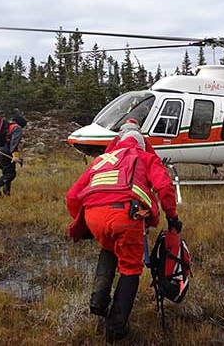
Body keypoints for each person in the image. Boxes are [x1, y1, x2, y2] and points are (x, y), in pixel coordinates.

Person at [66, 123, 182, 343]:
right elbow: (165, 188)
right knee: (130, 269)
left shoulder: (102, 159)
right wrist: (172, 217)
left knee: (108, 248)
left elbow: (72, 195)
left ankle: (98, 301)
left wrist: (83, 223)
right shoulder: (145, 157)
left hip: (94, 215)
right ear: (142, 143)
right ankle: (116, 328)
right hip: (127, 217)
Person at [0, 115, 27, 197]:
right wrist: (15, 155)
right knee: (11, 174)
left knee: (6, 173)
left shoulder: (6, 127)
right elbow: (14, 143)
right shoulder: (17, 128)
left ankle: (6, 194)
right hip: (5, 153)